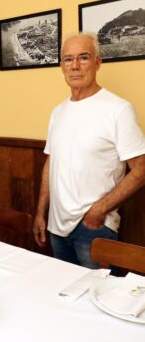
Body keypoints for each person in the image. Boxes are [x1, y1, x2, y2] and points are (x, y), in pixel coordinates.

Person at [33, 33, 145, 268]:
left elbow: (141, 169)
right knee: (65, 295)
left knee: (94, 298)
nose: (74, 66)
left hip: (93, 228)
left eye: (83, 58)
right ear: (62, 66)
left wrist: (98, 211)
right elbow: (50, 163)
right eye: (68, 59)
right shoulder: (58, 112)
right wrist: (41, 213)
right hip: (56, 227)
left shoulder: (118, 110)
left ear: (98, 62)